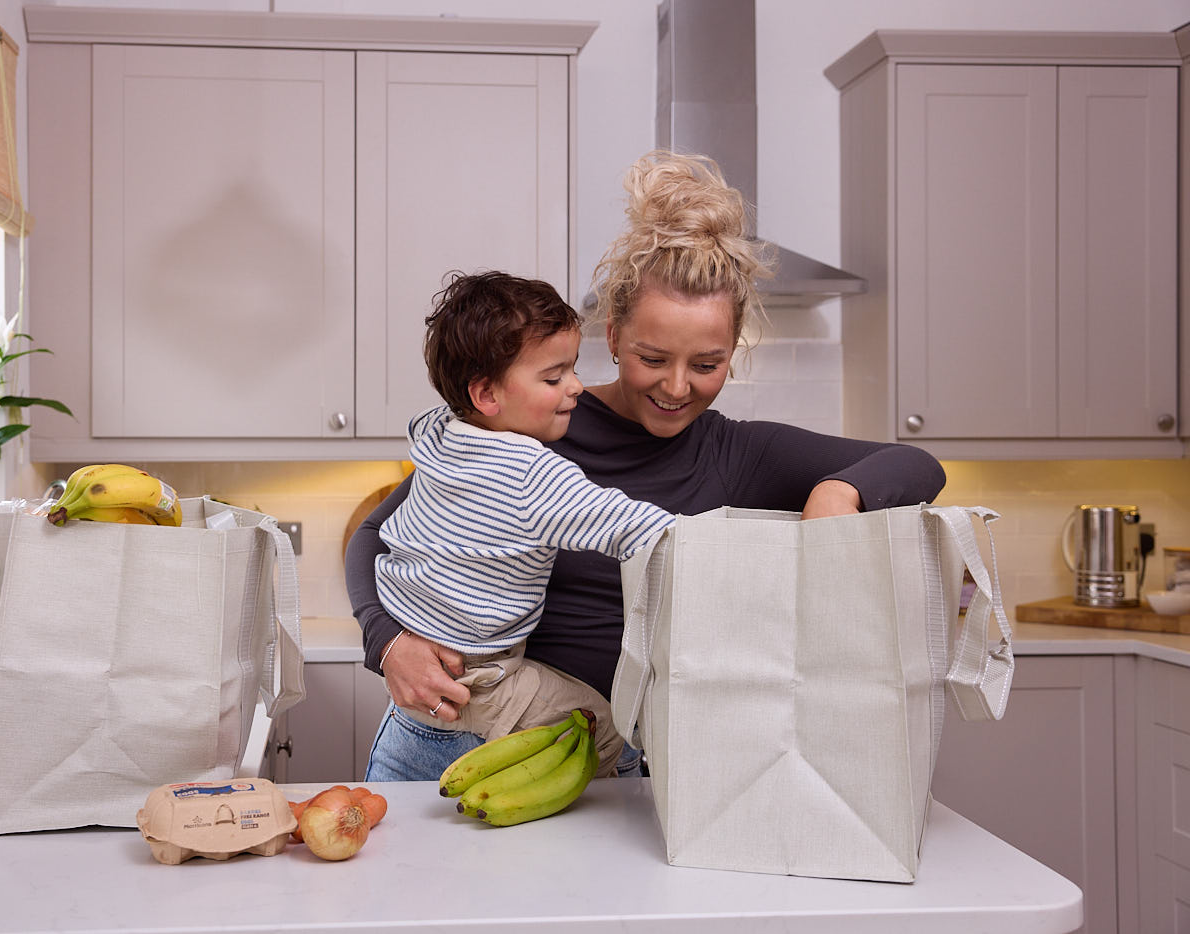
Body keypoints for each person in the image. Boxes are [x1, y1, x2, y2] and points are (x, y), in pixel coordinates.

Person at [347, 150, 947, 781]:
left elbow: (914, 463)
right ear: (613, 338)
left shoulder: (739, 452)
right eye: (653, 358)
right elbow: (375, 534)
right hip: (476, 731)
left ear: (732, 352)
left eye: (707, 364)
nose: (678, 387)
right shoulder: (531, 426)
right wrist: (386, 641)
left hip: (617, 771)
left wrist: (837, 492)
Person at [375, 271, 675, 775]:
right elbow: (632, 527)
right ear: (487, 396)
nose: (576, 387)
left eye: (572, 370)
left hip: (414, 669)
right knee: (612, 729)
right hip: (478, 681)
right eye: (554, 378)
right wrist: (714, 537)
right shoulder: (531, 474)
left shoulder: (438, 429)